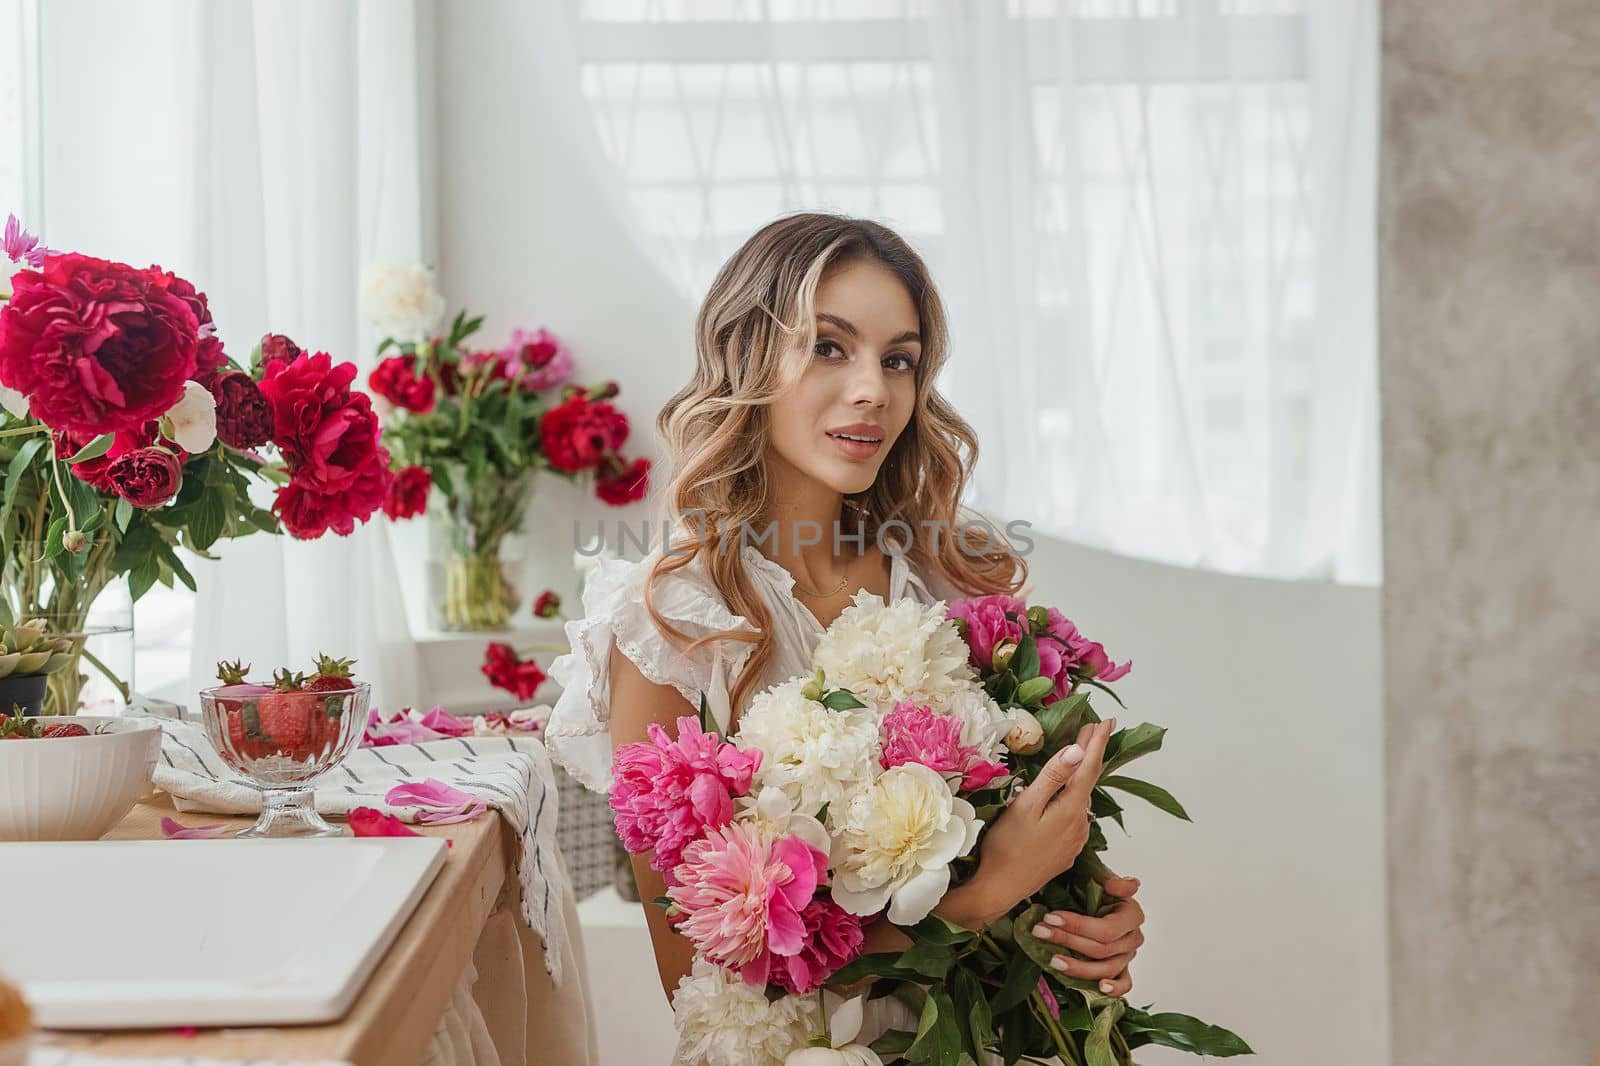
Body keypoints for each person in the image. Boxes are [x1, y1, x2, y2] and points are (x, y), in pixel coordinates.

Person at [546, 212, 1146, 1052]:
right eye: (829, 347)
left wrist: (1081, 920)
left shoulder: (951, 581)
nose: (874, 388)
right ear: (747, 355)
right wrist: (985, 898)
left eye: (898, 359)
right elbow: (693, 968)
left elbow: (1026, 857)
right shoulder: (667, 623)